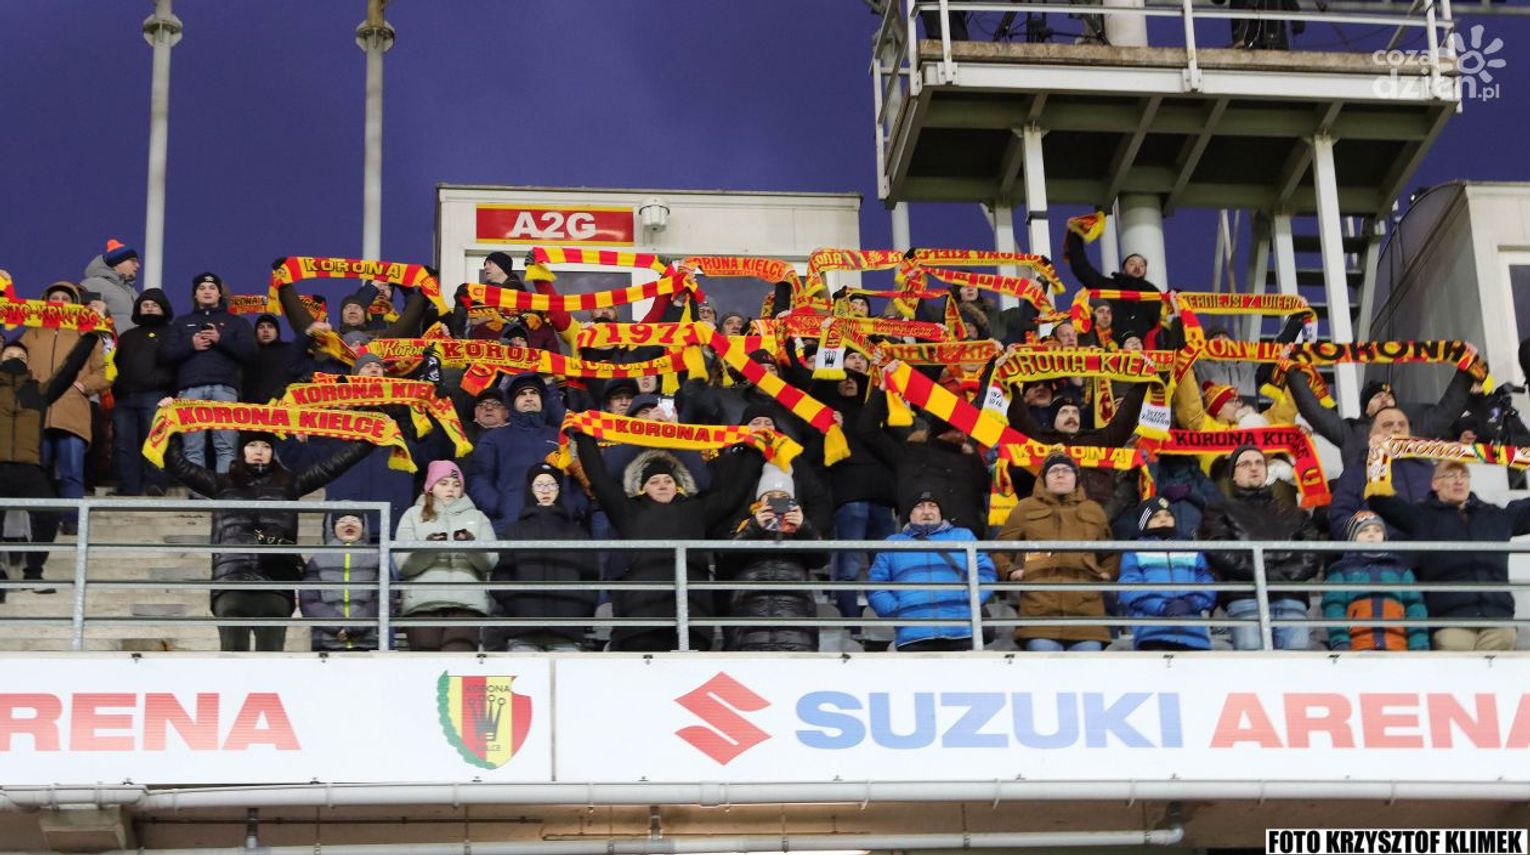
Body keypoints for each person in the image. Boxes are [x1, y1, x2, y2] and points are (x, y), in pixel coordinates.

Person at [162, 429, 370, 651]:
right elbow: (177, 465)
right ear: (242, 451)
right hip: (232, 583)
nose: (259, 451)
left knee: (272, 660)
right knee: (232, 658)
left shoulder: (290, 484)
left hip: (276, 585)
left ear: (273, 452)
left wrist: (369, 439)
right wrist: (170, 430)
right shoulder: (221, 483)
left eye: (266, 446)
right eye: (252, 445)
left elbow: (332, 466)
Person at [570, 429, 763, 652]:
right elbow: (599, 478)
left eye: (668, 480)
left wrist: (756, 450)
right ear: (642, 488)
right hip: (640, 621)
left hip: (692, 621)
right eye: (654, 481)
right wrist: (584, 434)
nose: (662, 485)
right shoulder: (628, 510)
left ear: (677, 484)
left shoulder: (696, 510)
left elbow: (733, 494)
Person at [1366, 458, 1526, 652]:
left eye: (1463, 475)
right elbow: (1379, 499)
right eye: (1450, 475)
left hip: (1497, 619)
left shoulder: (1493, 514)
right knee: (1455, 656)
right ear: (1435, 484)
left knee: (1503, 643)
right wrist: (1379, 455)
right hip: (1450, 620)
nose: (1458, 480)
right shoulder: (1422, 516)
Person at [0, 332, 103, 601]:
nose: (15, 359)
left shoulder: (40, 391)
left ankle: (33, 572)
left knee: (48, 515)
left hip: (30, 469)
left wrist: (89, 337)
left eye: (21, 356)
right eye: (10, 355)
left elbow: (68, 370)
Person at [1198, 444, 1322, 650]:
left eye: (1259, 463)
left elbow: (1311, 553)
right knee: (1252, 666)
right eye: (1245, 464)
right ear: (1233, 475)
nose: (1254, 468)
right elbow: (1220, 550)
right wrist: (1266, 574)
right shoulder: (1219, 511)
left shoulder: (1295, 513)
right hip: (1246, 597)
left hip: (1290, 597)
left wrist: (1277, 577)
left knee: (1296, 666)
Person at [994, 452, 1116, 653]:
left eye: (1066, 470)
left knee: (1087, 672)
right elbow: (999, 551)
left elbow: (1110, 553)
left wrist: (1106, 573)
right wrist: (1010, 572)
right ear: (1044, 478)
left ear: (1076, 477)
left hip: (1087, 615)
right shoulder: (1025, 508)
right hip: (1039, 614)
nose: (1060, 474)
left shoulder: (1093, 510)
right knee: (1045, 671)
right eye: (1054, 471)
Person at [855, 369, 990, 535]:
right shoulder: (910, 453)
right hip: (919, 540)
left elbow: (991, 487)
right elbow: (867, 431)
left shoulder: (970, 458)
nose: (963, 435)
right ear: (941, 431)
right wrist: (882, 389)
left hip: (967, 541)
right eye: (957, 430)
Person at [20, 282, 109, 534]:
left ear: (74, 304)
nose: (59, 301)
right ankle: (38, 521)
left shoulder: (87, 333)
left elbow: (106, 371)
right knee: (37, 473)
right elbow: (16, 361)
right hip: (36, 414)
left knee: (71, 473)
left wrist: (83, 386)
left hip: (72, 412)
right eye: (54, 297)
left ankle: (72, 521)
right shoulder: (32, 333)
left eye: (65, 298)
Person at [486, 462, 598, 653]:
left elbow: (591, 579)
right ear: (530, 490)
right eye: (539, 485)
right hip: (522, 632)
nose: (545, 490)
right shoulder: (515, 532)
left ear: (559, 489)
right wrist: (519, 607)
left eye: (551, 484)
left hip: (567, 633)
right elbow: (501, 577)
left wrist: (574, 611)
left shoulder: (577, 534)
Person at [868, 490, 995, 652]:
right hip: (913, 635)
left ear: (940, 513)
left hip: (962, 632)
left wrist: (971, 599)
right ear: (909, 514)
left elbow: (985, 572)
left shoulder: (963, 536)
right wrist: (897, 609)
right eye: (920, 507)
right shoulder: (892, 544)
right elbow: (876, 585)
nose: (927, 512)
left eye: (933, 506)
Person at [395, 461, 497, 653]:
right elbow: (403, 565)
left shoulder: (478, 517)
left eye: (456, 484)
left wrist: (470, 546)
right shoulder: (412, 515)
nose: (450, 489)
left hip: (466, 604)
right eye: (443, 483)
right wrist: (429, 548)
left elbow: (490, 562)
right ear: (430, 487)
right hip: (422, 604)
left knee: (457, 665)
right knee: (426, 664)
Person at [161, 272, 256, 474]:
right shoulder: (181, 322)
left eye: (212, 288)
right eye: (202, 288)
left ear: (220, 294)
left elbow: (250, 354)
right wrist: (191, 345)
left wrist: (220, 339)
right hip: (190, 390)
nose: (207, 291)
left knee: (226, 447)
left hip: (225, 389)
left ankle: (225, 492)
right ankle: (198, 494)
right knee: (192, 448)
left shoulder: (236, 322)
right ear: (194, 294)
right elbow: (166, 354)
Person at [723, 464, 825, 652]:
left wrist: (803, 527)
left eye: (783, 497)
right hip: (750, 622)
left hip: (795, 623)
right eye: (770, 496)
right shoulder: (744, 525)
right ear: (759, 500)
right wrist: (755, 527)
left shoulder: (801, 528)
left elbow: (821, 558)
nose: (777, 501)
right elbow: (727, 559)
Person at [1288, 369, 1471, 468]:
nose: (1384, 398)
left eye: (1388, 396)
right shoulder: (1350, 431)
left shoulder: (1412, 430)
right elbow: (1313, 411)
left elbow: (1446, 411)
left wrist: (1466, 372)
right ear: (1365, 409)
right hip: (1364, 504)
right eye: (1377, 397)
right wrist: (1293, 373)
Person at [465, 374, 564, 531]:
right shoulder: (494, 438)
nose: (529, 398)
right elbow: (479, 478)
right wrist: (500, 506)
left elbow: (575, 477)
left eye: (534, 393)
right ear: (513, 402)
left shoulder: (559, 436)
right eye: (522, 394)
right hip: (510, 525)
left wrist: (572, 506)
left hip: (557, 525)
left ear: (542, 400)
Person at [1321, 511, 1429, 652]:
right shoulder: (1342, 571)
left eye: (1377, 530)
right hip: (1358, 647)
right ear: (1352, 538)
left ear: (1384, 536)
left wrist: (1418, 645)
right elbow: (1334, 608)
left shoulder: (1401, 571)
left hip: (1397, 647)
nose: (1371, 534)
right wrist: (1340, 643)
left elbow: (1415, 608)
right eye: (1364, 530)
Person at [1118, 497, 1216, 651]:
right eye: (1156, 516)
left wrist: (1190, 603)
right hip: (1152, 636)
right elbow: (1129, 588)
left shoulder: (1190, 549)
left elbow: (1207, 584)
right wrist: (1160, 607)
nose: (1163, 519)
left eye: (1168, 515)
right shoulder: (1134, 551)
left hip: (1194, 637)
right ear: (1143, 522)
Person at [110, 289, 176, 497]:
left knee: (154, 441)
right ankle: (128, 488)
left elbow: (178, 365)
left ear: (163, 308)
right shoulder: (127, 336)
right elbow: (113, 364)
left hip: (156, 396)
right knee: (124, 444)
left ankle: (156, 484)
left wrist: (172, 393)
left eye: (154, 305)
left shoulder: (172, 334)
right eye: (145, 305)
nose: (149, 308)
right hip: (125, 398)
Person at [300, 513, 383, 652]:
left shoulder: (378, 557)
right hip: (326, 644)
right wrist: (337, 626)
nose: (349, 524)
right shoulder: (318, 558)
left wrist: (355, 627)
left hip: (368, 642)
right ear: (332, 528)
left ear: (364, 527)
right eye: (342, 521)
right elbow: (309, 599)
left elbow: (384, 598)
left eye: (355, 520)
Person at [1064, 231, 1162, 344]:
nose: (1137, 267)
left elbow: (1155, 320)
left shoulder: (1153, 293)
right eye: (1132, 263)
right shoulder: (1109, 286)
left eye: (1142, 265)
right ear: (1123, 269)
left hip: (1142, 347)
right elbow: (1082, 268)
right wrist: (1076, 234)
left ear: (1145, 271)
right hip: (1109, 344)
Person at [79, 239, 140, 333]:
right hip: (110, 341)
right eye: (133, 261)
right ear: (118, 262)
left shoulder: (133, 293)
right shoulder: (94, 284)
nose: (137, 265)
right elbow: (82, 318)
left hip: (132, 342)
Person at [242, 313, 293, 404]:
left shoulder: (289, 349)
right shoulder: (247, 352)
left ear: (277, 332)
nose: (265, 330)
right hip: (251, 405)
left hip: (280, 404)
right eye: (261, 327)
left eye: (270, 326)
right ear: (256, 332)